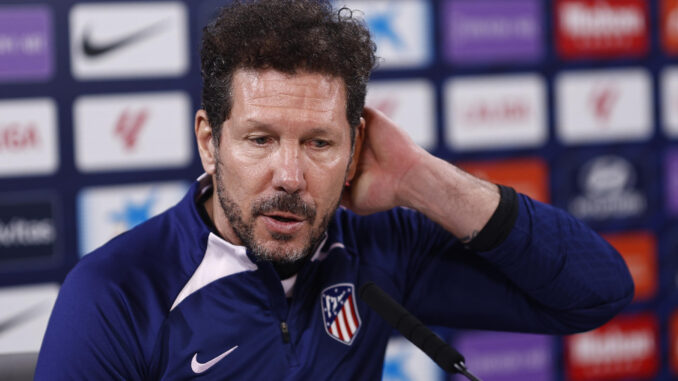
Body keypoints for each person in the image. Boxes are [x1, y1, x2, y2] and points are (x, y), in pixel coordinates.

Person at [35, 0, 634, 379]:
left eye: (319, 144)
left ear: (353, 151)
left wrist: (420, 179)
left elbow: (594, 294)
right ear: (208, 143)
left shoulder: (378, 247)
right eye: (260, 140)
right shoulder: (117, 293)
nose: (290, 177)